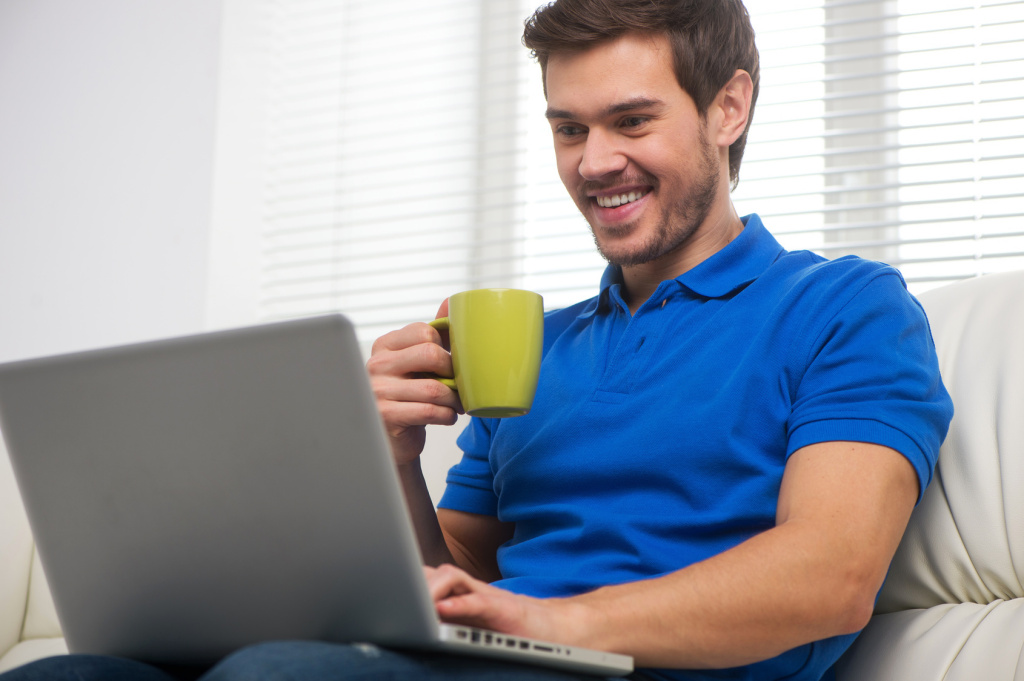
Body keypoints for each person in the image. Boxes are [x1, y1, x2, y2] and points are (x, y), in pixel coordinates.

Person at [1, 1, 952, 680]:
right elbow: (454, 582)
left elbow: (829, 577)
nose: (594, 162)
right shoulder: (537, 345)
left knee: (277, 672)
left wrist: (550, 620)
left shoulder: (846, 307)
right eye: (569, 127)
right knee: (68, 672)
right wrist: (391, 458)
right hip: (490, 661)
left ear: (727, 108)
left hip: (647, 669)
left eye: (631, 120)